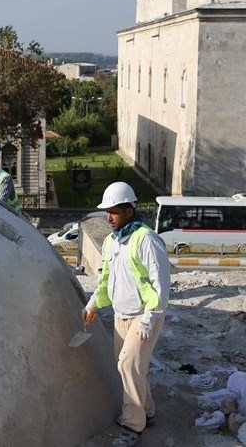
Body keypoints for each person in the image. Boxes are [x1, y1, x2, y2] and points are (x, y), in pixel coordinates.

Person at [81, 182, 171, 447]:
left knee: (127, 365)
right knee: (134, 368)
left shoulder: (146, 239)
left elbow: (161, 282)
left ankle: (134, 426)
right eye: (106, 212)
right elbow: (105, 277)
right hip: (122, 314)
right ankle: (147, 411)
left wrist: (151, 316)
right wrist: (93, 303)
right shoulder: (112, 241)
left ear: (129, 210)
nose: (109, 217)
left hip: (144, 316)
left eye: (114, 211)